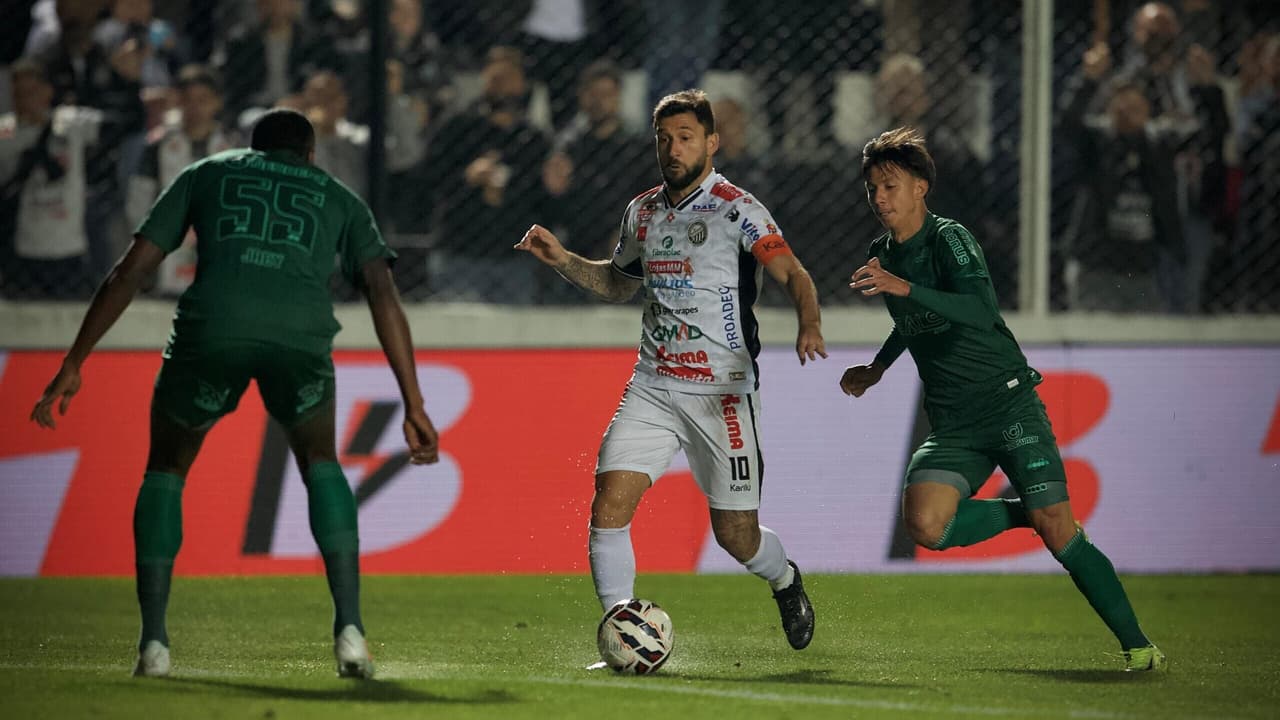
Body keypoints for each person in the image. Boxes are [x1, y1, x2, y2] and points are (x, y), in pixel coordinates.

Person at [29, 109, 440, 680]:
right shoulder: (339, 197)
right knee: (321, 461)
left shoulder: (207, 172)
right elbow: (382, 293)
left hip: (211, 331)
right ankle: (350, 632)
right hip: (298, 338)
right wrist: (413, 403)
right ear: (310, 155)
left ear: (253, 148)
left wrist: (75, 361)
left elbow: (132, 269)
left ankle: (154, 643)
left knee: (166, 467)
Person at [840, 127, 1164, 671]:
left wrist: (906, 287)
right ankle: (1023, 515)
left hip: (1007, 403)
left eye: (890, 185)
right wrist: (878, 366)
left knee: (1060, 533)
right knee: (926, 525)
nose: (880, 197)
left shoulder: (949, 238)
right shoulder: (882, 254)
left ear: (921, 188)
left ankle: (1141, 648)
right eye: (872, 187)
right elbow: (914, 320)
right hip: (953, 423)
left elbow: (978, 309)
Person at [515, 89, 826, 651]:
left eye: (685, 138)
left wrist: (809, 323)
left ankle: (784, 580)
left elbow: (793, 273)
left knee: (737, 536)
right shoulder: (643, 211)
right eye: (664, 139)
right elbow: (617, 283)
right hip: (653, 386)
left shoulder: (738, 208)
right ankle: (621, 629)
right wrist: (562, 260)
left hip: (722, 393)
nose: (673, 149)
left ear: (712, 142)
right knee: (609, 503)